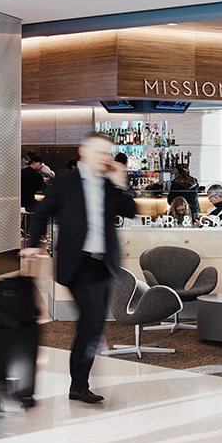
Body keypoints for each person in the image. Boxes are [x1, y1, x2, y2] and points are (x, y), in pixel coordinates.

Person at [22, 134, 136, 403]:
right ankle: (79, 385)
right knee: (91, 320)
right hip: (78, 263)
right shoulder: (64, 181)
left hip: (104, 263)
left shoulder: (109, 185)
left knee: (94, 325)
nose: (104, 158)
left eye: (107, 153)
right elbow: (42, 212)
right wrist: (33, 244)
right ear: (83, 151)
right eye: (99, 152)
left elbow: (130, 210)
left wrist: (121, 184)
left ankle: (79, 383)